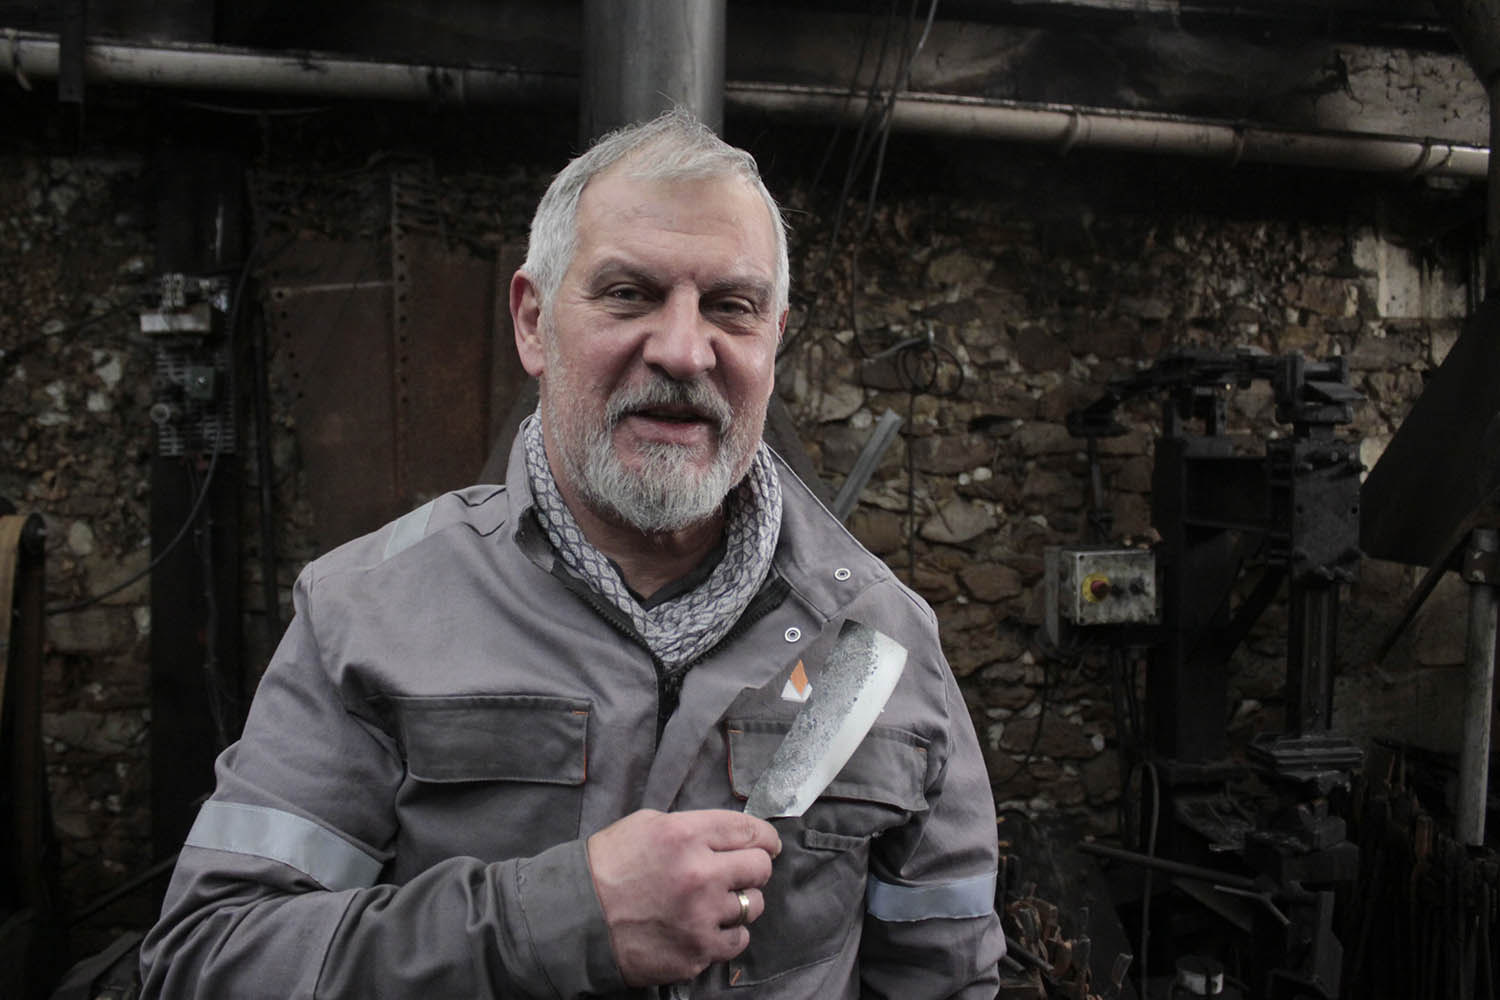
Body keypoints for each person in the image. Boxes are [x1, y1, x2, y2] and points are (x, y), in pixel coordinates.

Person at [139, 108, 1003, 999]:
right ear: (533, 322)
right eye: (628, 293)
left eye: (730, 307)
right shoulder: (367, 612)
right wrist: (557, 920)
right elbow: (213, 960)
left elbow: (947, 980)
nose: (682, 351)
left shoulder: (883, 642)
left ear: (774, 341)